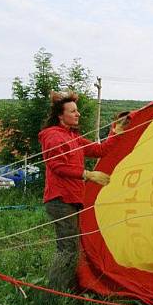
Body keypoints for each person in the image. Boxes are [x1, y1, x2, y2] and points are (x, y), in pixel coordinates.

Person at [37, 91, 119, 292]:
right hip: (60, 199)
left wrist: (116, 131)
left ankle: (66, 288)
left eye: (77, 110)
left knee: (71, 247)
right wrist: (88, 175)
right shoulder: (53, 136)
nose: (78, 114)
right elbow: (57, 166)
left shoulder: (72, 137)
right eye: (73, 111)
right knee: (67, 249)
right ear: (60, 115)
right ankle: (56, 293)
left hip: (73, 199)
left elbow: (100, 150)